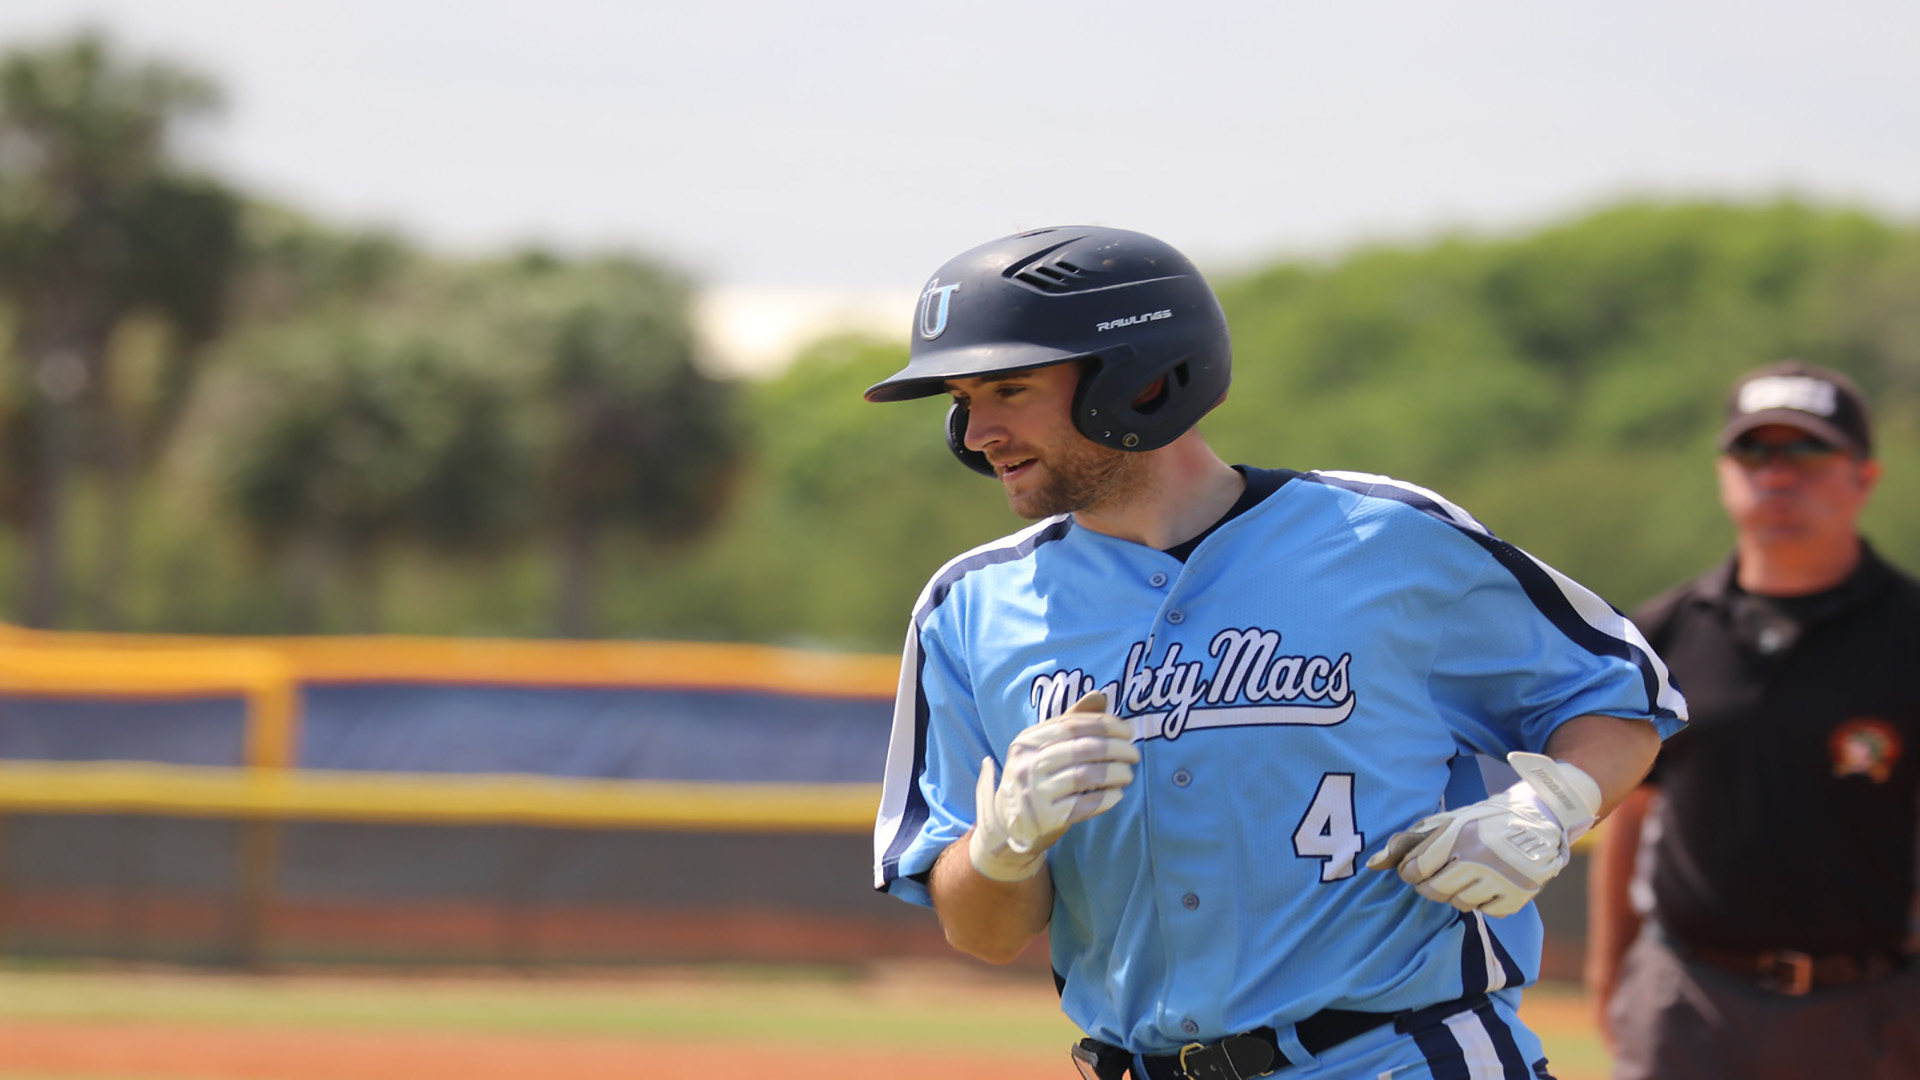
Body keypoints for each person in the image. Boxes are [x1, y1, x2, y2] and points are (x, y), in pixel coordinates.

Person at [866, 225, 1685, 1080]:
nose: (977, 429)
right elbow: (983, 933)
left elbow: (1623, 702)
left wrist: (1547, 809)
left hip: (1403, 1056)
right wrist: (1002, 849)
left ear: (1143, 379)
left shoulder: (1385, 539)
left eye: (1009, 387)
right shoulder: (967, 609)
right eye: (963, 397)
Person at [1586, 361, 1920, 1080]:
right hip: (1687, 1004)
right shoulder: (1662, 633)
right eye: (1753, 452)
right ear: (1724, 472)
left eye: (1806, 452)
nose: (1777, 475)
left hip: (1870, 1007)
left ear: (1864, 476)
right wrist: (1610, 975)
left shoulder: (1910, 632)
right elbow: (1631, 817)